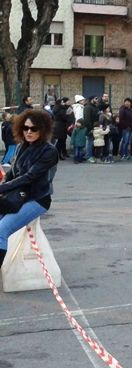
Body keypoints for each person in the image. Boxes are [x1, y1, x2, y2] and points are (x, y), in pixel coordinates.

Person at [0, 109, 59, 269]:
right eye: (25, 128)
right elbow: (12, 173)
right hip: (16, 195)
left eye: (34, 128)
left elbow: (29, 177)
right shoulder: (21, 147)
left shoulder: (49, 151)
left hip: (37, 199)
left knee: (1, 231)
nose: (29, 132)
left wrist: (2, 188)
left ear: (43, 129)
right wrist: (3, 186)